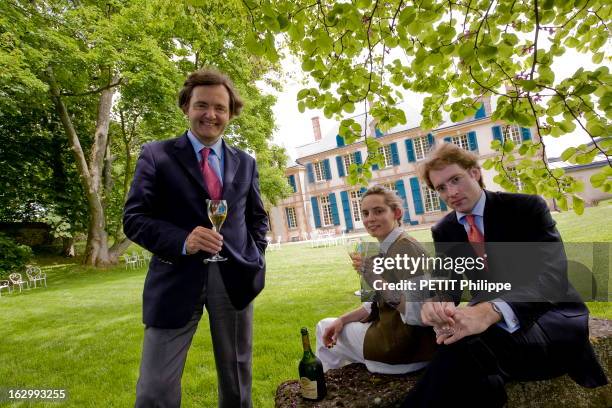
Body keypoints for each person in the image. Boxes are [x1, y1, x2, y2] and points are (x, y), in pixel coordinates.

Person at [401, 143, 607, 407]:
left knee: (464, 348)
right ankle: (490, 389)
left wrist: (491, 311)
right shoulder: (445, 230)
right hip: (492, 332)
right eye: (441, 187)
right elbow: (448, 283)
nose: (450, 192)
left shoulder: (526, 208)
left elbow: (552, 278)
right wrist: (436, 303)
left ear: (474, 172)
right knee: (462, 346)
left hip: (550, 317)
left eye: (456, 179)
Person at [123, 68, 268, 408]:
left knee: (237, 386)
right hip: (175, 279)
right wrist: (183, 240)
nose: (211, 115)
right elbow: (134, 218)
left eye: (220, 108)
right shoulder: (156, 155)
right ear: (186, 106)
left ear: (230, 113)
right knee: (154, 391)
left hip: (234, 280)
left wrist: (255, 257)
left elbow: (257, 219)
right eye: (202, 105)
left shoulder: (245, 163)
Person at [316, 186, 437, 374]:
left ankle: (322, 388)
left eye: (378, 211)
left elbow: (418, 312)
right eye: (365, 213)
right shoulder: (389, 247)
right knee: (333, 325)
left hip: (401, 350)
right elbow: (371, 305)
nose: (369, 219)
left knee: (323, 327)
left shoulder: (406, 249)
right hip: (405, 346)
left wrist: (374, 278)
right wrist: (342, 320)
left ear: (396, 213)